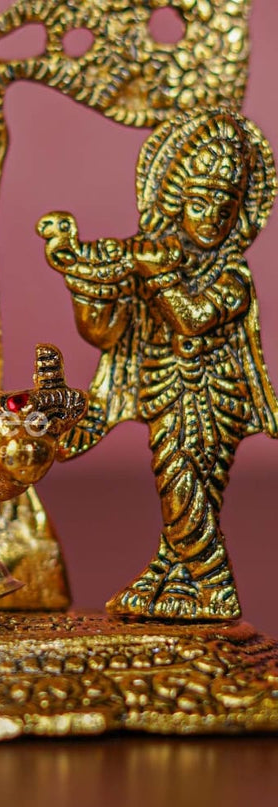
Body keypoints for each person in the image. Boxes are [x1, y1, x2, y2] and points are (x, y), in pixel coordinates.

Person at [38, 109, 278, 620]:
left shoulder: (232, 276)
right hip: (164, 390)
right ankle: (166, 577)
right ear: (175, 202)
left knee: (188, 484)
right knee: (179, 485)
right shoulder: (157, 254)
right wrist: (89, 282)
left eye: (225, 206)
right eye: (200, 202)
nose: (211, 217)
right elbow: (105, 334)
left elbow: (192, 319)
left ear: (240, 213)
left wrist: (157, 274)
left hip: (214, 399)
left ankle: (215, 586)